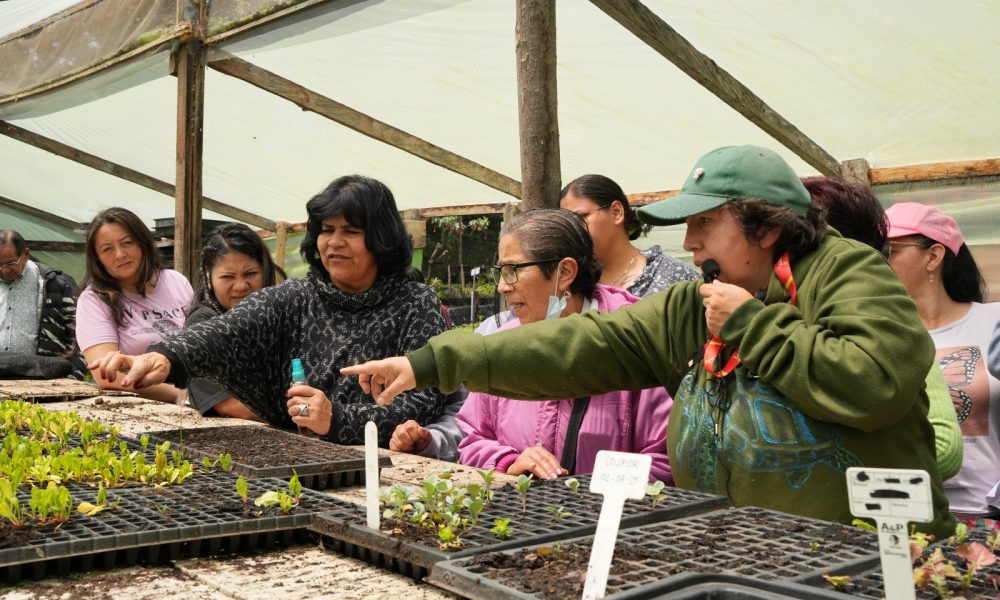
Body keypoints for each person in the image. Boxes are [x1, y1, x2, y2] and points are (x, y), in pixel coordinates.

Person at [342, 145, 955, 537]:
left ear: (766, 226)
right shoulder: (697, 304)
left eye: (704, 223)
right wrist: (433, 362)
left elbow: (874, 383)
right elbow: (580, 345)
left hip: (860, 558)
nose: (689, 244)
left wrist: (751, 326)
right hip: (740, 545)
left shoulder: (845, 270)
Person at [90, 175, 448, 446]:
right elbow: (228, 331)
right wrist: (164, 357)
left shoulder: (415, 304)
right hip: (295, 461)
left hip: (385, 473)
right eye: (326, 230)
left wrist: (337, 419)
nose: (334, 242)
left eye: (350, 231)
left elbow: (424, 400)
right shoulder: (296, 297)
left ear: (381, 238)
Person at [456, 209, 671, 482]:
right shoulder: (501, 347)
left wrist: (579, 493)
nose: (502, 287)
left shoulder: (637, 343)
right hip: (522, 519)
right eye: (500, 271)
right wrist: (509, 461)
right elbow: (472, 439)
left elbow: (666, 462)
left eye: (513, 270)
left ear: (565, 272)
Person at [802, 177, 963, 481]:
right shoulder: (768, 318)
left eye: (894, 249)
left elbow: (943, 449)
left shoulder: (895, 327)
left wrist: (825, 469)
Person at [885, 202, 1000, 527]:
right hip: (909, 516)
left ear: (934, 256)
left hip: (988, 513)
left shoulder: (994, 322)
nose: (876, 263)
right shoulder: (881, 337)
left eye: (888, 250)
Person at [76, 208, 193, 403]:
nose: (120, 254)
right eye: (107, 249)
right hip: (150, 409)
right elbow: (107, 376)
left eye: (127, 243)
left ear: (142, 243)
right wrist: (183, 395)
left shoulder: (176, 281)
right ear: (97, 259)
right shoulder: (94, 300)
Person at [183, 223, 283, 420]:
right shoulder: (201, 325)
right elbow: (228, 406)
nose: (241, 286)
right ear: (209, 277)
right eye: (228, 277)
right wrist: (299, 417)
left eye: (251, 274)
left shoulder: (281, 316)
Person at [559, 174, 698, 296]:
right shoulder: (569, 284)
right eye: (568, 223)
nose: (574, 229)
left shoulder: (671, 275)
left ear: (616, 212)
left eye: (581, 217)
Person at [0, 230, 86, 379]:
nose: (4, 270)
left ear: (26, 255)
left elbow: (81, 339)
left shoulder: (56, 285)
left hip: (42, 379)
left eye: (10, 263)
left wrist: (73, 378)